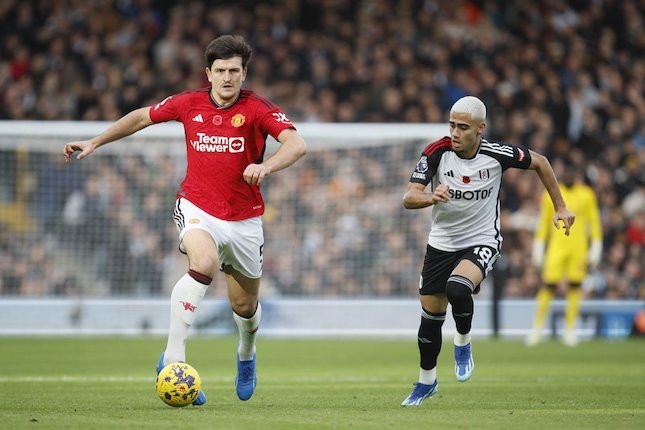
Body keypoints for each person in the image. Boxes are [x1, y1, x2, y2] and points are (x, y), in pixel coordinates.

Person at [63, 35, 307, 404]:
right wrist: (96, 141)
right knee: (204, 262)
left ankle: (246, 355)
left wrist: (266, 165)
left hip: (244, 219)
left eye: (234, 71)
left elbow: (296, 144)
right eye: (221, 71)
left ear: (244, 73)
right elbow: (141, 117)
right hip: (197, 205)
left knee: (244, 307)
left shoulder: (257, 108)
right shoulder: (188, 103)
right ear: (208, 73)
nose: (227, 78)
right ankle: (173, 360)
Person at [399, 96, 575, 407]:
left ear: (480, 129)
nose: (454, 132)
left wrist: (560, 207)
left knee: (457, 287)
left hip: (482, 239)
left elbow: (541, 162)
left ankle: (463, 342)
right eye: (452, 125)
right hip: (441, 244)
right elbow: (409, 197)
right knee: (430, 318)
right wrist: (431, 197)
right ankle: (427, 382)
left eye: (462, 127)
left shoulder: (498, 154)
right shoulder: (436, 152)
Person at [526, 161, 602, 347]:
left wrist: (596, 245)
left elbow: (594, 221)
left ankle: (570, 330)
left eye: (571, 173)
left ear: (576, 174)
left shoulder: (587, 195)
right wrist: (539, 244)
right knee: (548, 286)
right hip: (557, 248)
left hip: (578, 248)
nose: (568, 176)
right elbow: (544, 222)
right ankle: (537, 329)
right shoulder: (550, 195)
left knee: (575, 287)